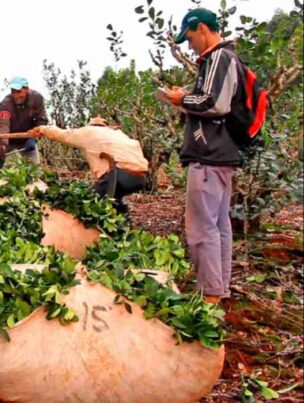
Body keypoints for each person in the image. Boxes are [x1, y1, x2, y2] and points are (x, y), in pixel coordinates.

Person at [159, 8, 243, 304]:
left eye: (191, 37)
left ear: (204, 29)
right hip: (221, 154)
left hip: (209, 155)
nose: (189, 44)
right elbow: (212, 99)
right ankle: (218, 290)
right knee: (218, 225)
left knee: (201, 229)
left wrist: (180, 99)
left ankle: (209, 296)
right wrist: (184, 98)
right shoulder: (222, 60)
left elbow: (214, 103)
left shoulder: (220, 57)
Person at [28, 118, 149, 217]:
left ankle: (93, 237)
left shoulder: (90, 132)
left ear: (91, 125)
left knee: (90, 204)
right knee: (114, 199)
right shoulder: (119, 135)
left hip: (118, 175)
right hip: (140, 178)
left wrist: (42, 129)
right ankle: (125, 228)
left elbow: (63, 135)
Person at [0, 76, 48, 168]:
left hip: (27, 138)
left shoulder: (37, 98)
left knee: (34, 170)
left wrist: (34, 137)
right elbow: (3, 125)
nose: (15, 95)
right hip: (8, 139)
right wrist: (2, 145)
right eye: (13, 91)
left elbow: (41, 120)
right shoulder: (5, 104)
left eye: (18, 92)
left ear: (26, 89)